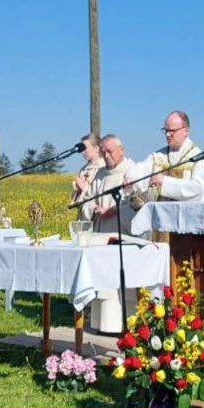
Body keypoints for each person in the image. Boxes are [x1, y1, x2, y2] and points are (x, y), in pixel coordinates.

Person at [80, 134, 138, 332]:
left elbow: (138, 202)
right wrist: (93, 208)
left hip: (122, 232)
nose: (106, 156)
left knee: (122, 284)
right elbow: (86, 199)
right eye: (103, 151)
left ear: (121, 149)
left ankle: (126, 326)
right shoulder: (100, 174)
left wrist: (114, 210)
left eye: (110, 151)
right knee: (103, 282)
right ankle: (102, 325)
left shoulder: (133, 171)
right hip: (101, 233)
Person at [125, 111, 204, 203]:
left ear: (186, 131)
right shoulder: (158, 156)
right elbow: (140, 169)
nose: (167, 135)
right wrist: (131, 178)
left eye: (172, 131)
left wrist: (165, 182)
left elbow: (198, 189)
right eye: (166, 130)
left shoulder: (198, 158)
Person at [69, 133, 104, 222]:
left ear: (96, 148)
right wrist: (78, 191)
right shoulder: (84, 170)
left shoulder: (103, 168)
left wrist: (84, 188)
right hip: (82, 217)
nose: (82, 152)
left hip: (96, 217)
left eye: (85, 148)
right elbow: (77, 201)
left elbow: (101, 194)